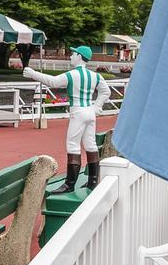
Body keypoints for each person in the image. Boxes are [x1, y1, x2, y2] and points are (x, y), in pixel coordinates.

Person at [23, 46, 110, 194]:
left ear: (79, 56)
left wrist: (33, 74)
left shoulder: (72, 75)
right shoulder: (95, 76)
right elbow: (106, 92)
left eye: (72, 54)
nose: (70, 57)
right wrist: (96, 107)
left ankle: (70, 184)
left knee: (73, 145)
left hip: (78, 111)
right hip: (90, 111)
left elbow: (53, 82)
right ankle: (93, 181)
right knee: (90, 144)